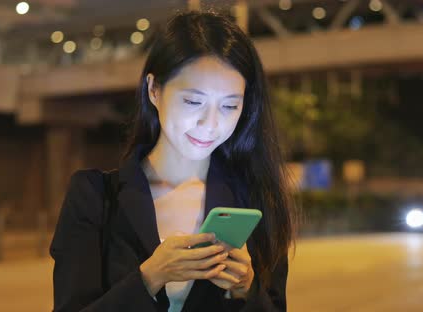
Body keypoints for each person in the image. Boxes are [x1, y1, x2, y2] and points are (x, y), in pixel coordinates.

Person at [50, 10, 297, 312]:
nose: (210, 123)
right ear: (154, 89)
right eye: (194, 101)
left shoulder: (256, 199)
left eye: (230, 106)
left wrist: (248, 290)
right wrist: (149, 278)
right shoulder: (94, 197)